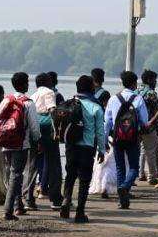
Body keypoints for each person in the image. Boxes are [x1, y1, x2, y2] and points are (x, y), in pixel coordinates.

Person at [0, 72, 41, 220]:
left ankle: (19, 206)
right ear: (25, 84)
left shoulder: (6, 101)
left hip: (5, 143)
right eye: (27, 82)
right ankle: (8, 210)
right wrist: (37, 141)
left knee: (12, 174)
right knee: (16, 175)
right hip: (21, 144)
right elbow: (34, 128)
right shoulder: (28, 103)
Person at [59, 74, 106, 223]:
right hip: (87, 147)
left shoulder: (70, 104)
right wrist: (102, 150)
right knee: (84, 180)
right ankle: (80, 212)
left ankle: (66, 200)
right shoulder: (96, 107)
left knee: (70, 174)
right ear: (91, 88)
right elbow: (100, 131)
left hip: (71, 145)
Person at [105, 70, 149, 208]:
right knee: (134, 167)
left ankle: (121, 200)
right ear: (134, 83)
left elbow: (107, 122)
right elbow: (144, 121)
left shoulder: (113, 99)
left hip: (117, 137)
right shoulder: (138, 99)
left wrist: (105, 138)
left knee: (120, 167)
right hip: (132, 138)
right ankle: (125, 186)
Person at [30, 73, 62, 209]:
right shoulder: (49, 92)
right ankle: (55, 199)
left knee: (33, 164)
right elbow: (52, 110)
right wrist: (58, 129)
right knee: (53, 163)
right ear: (48, 82)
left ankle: (29, 199)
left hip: (33, 129)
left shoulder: (33, 95)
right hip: (46, 129)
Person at [137, 70, 158, 186]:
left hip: (136, 126)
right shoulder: (151, 93)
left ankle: (140, 173)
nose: (156, 82)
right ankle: (152, 176)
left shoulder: (136, 90)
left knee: (141, 150)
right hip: (149, 126)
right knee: (150, 152)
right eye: (154, 79)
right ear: (149, 80)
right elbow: (157, 111)